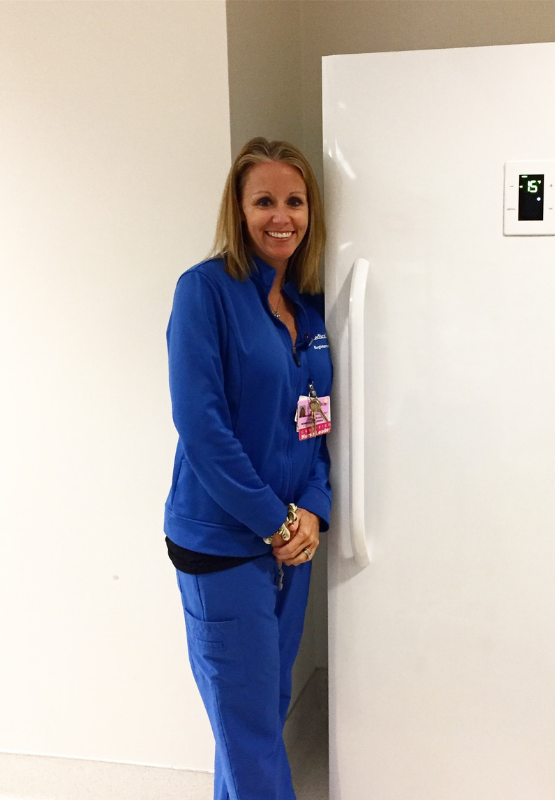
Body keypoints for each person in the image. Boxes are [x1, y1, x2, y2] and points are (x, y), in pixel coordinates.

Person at [163, 137, 332, 800]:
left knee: (257, 716)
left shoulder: (307, 314)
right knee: (252, 729)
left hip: (291, 545)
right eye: (264, 200)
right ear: (238, 210)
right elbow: (203, 431)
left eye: (294, 200)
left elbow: (318, 428)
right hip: (225, 546)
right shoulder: (204, 292)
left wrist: (313, 511)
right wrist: (278, 519)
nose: (280, 215)